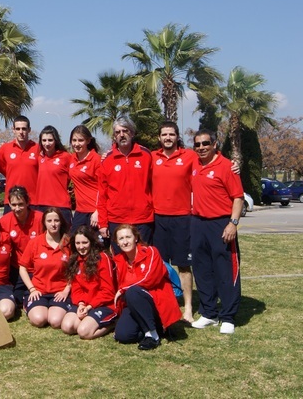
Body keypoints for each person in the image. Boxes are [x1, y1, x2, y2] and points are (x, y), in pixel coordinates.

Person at [189, 129, 244, 335]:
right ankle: (209, 313)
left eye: (205, 144)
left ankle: (228, 316)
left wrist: (233, 223)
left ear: (214, 144)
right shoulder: (193, 163)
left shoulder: (227, 166)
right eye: (197, 144)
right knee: (202, 268)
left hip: (221, 223)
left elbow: (238, 198)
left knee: (225, 269)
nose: (201, 148)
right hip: (198, 222)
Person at [151, 120, 197, 322]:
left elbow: (209, 162)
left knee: (183, 265)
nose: (167, 138)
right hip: (158, 219)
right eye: (164, 135)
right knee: (160, 265)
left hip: (182, 218)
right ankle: (166, 305)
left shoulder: (189, 156)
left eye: (171, 134)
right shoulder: (152, 157)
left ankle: (187, 308)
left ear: (177, 137)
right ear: (159, 138)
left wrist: (233, 165)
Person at [112, 224, 182, 350]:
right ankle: (157, 328)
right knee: (123, 336)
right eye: (121, 239)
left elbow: (149, 279)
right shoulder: (119, 261)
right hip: (134, 304)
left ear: (136, 238)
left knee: (132, 292)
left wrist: (123, 289)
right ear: (117, 243)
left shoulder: (151, 252)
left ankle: (152, 335)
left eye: (128, 237)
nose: (125, 241)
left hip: (156, 301)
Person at [97, 116, 154, 252]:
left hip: (143, 219)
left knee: (143, 258)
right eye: (117, 132)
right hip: (117, 220)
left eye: (125, 131)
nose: (121, 135)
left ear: (132, 133)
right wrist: (103, 223)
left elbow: (154, 186)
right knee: (120, 261)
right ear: (114, 136)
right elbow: (102, 194)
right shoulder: (107, 160)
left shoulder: (146, 155)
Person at [60, 225, 117, 339]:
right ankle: (89, 320)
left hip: (104, 304)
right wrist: (81, 304)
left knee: (83, 332)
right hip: (85, 303)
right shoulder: (75, 259)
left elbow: (108, 291)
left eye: (85, 243)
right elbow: (76, 288)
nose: (81, 247)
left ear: (91, 242)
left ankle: (112, 324)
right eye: (78, 243)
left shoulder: (102, 258)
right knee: (67, 327)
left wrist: (89, 307)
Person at [19, 207, 71, 328]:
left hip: (60, 292)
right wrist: (32, 289)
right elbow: (23, 267)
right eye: (49, 221)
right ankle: (30, 304)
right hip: (39, 290)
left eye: (56, 220)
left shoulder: (68, 243)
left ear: (61, 222)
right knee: (39, 320)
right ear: (44, 223)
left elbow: (75, 270)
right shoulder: (35, 242)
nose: (53, 224)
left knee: (55, 321)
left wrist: (66, 290)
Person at [0, 187, 43, 304]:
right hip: (19, 269)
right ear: (9, 205)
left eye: (21, 204)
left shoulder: (40, 218)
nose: (17, 208)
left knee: (41, 297)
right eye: (14, 205)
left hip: (40, 268)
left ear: (28, 203)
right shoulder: (4, 221)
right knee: (16, 299)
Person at [0, 115, 39, 213]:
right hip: (12, 201)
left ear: (29, 130)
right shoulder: (5, 148)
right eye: (18, 129)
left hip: (33, 201)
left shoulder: (38, 148)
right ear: (13, 130)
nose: (21, 132)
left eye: (24, 129)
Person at [35, 125, 73, 221]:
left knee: (64, 236)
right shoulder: (39, 157)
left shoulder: (66, 157)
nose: (47, 143)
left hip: (61, 206)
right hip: (41, 205)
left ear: (56, 140)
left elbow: (77, 175)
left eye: (50, 140)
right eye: (44, 140)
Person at [67, 125, 101, 231]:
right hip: (80, 211)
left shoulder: (96, 160)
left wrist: (98, 211)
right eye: (74, 140)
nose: (76, 144)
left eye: (80, 140)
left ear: (88, 141)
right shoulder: (71, 158)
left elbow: (104, 188)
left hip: (94, 211)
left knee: (96, 246)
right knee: (75, 243)